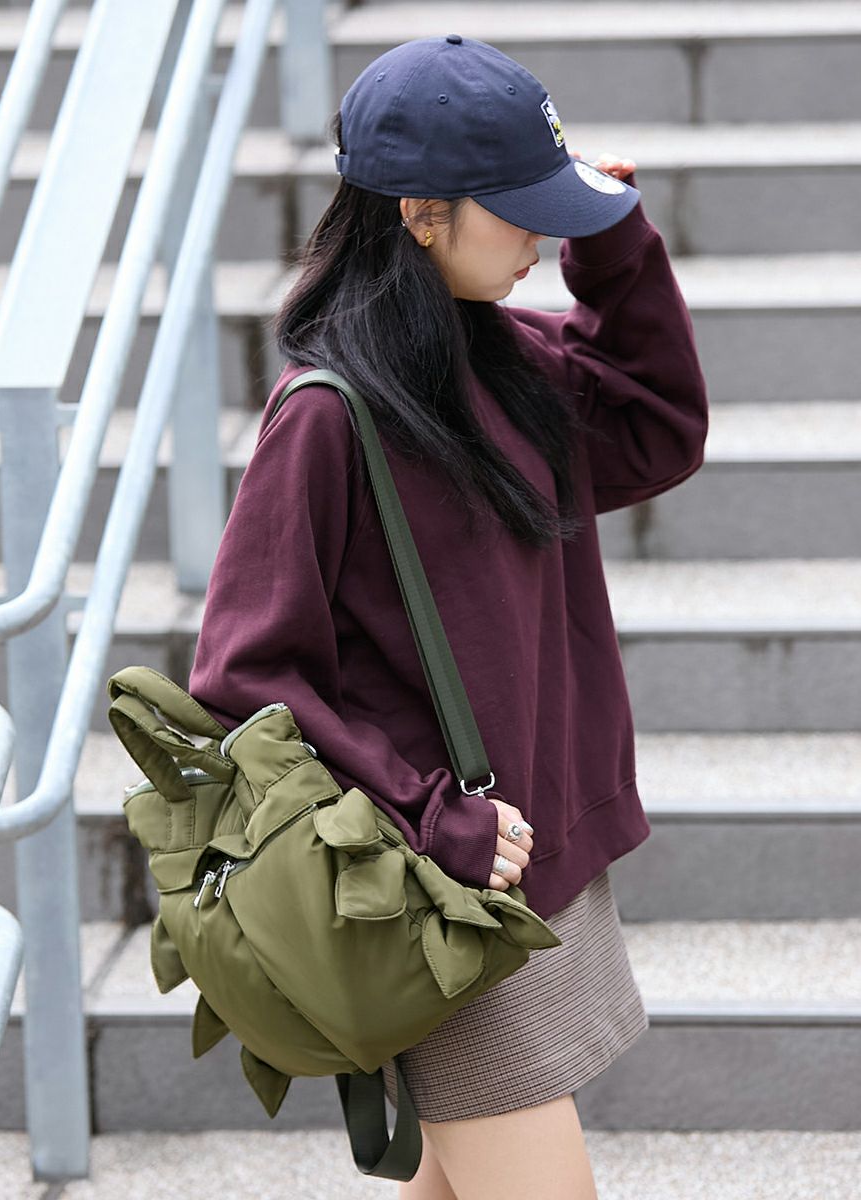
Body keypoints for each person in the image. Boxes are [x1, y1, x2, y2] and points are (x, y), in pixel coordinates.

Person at [188, 34, 708, 1200]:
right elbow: (243, 676)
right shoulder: (328, 413)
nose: (539, 241)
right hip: (439, 880)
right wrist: (429, 816)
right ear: (419, 215)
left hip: (521, 859)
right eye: (521, 213)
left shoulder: (500, 360)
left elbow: (656, 427)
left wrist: (615, 246)